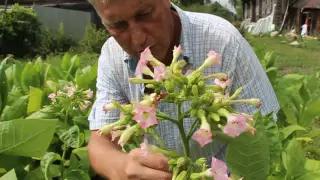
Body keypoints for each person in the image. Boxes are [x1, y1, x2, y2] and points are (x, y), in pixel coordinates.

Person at [86, 0, 280, 179]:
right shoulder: (112, 55)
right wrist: (122, 167)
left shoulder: (224, 39)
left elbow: (264, 134)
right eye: (118, 25)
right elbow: (100, 143)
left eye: (145, 13)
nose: (138, 39)